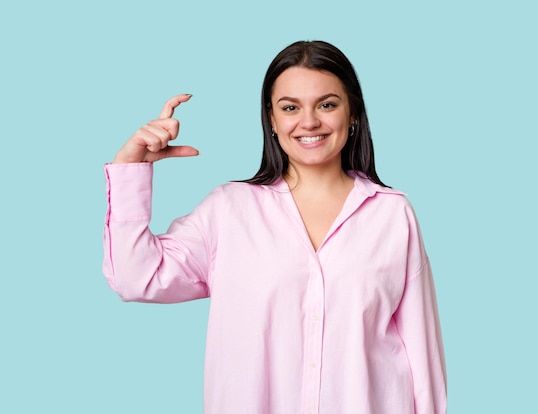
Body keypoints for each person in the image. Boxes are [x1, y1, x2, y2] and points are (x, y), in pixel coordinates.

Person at [103, 40, 447, 414]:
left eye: (327, 104)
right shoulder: (229, 211)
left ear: (353, 114)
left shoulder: (392, 215)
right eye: (290, 107)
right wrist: (130, 170)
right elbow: (135, 278)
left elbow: (421, 354)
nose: (309, 121)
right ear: (271, 118)